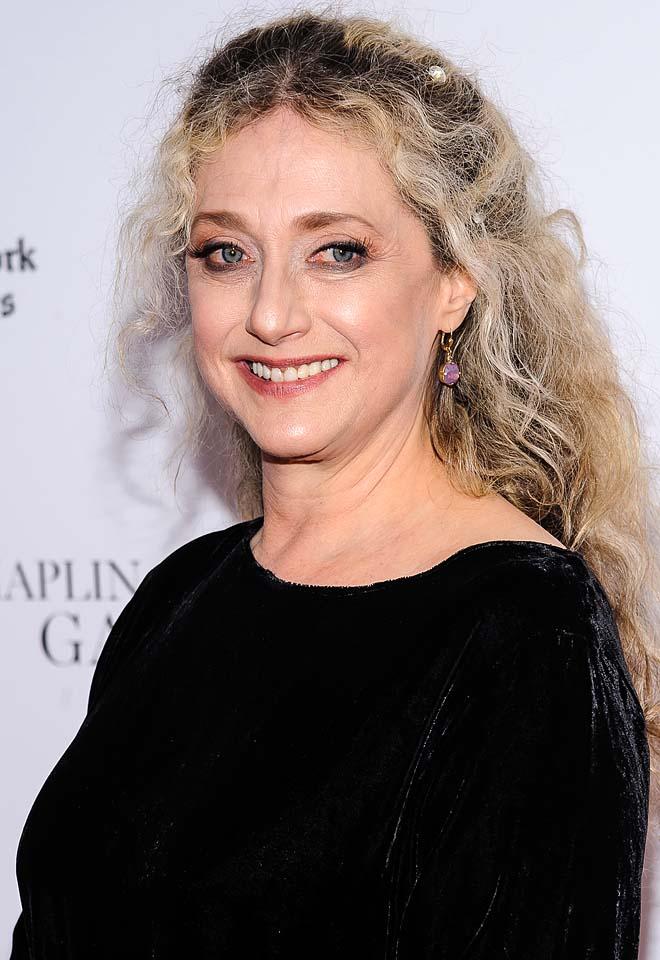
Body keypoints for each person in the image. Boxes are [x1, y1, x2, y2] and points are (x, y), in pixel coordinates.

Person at [10, 9, 658, 958]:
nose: (272, 314)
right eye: (227, 253)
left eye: (338, 251)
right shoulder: (178, 598)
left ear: (455, 281)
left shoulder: (526, 638)